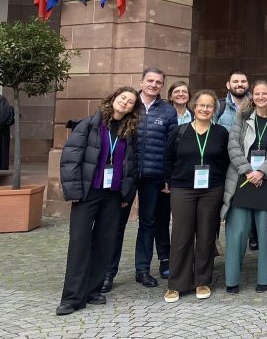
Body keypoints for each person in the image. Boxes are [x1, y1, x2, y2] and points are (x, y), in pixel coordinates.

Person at [56, 87, 140, 316]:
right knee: (79, 243)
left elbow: (132, 165)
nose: (125, 103)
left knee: (105, 243)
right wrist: (73, 190)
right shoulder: (89, 124)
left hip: (112, 195)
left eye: (130, 102)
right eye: (123, 98)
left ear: (134, 108)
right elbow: (70, 157)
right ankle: (72, 297)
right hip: (88, 192)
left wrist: (126, 193)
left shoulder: (129, 131)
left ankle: (93, 290)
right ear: (113, 99)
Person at [106, 67, 175, 293]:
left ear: (162, 85)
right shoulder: (129, 105)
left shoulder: (167, 111)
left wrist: (168, 176)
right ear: (141, 81)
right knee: (117, 224)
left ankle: (142, 270)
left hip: (154, 176)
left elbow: (170, 146)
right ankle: (108, 272)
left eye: (158, 82)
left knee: (148, 223)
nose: (153, 85)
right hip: (126, 174)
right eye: (150, 80)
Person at [222, 80, 267, 294]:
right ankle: (232, 280)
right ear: (253, 96)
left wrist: (262, 171)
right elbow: (233, 146)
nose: (261, 97)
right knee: (237, 231)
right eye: (257, 94)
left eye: (265, 94)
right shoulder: (241, 117)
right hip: (242, 180)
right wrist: (248, 171)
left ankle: (265, 278)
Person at [161, 90, 230, 303]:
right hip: (183, 189)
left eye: (209, 106)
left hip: (211, 189)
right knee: (181, 235)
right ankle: (177, 283)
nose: (205, 109)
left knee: (206, 234)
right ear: (194, 106)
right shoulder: (179, 131)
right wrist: (168, 180)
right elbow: (167, 159)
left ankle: (202, 280)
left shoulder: (221, 133)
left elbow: (226, 162)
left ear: (214, 110)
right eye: (201, 105)